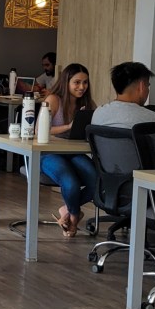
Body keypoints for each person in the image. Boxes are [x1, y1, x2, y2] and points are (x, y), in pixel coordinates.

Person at [41, 63, 97, 237]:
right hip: (49, 153)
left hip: (73, 152)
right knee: (71, 183)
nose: (82, 87)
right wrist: (68, 126)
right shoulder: (53, 99)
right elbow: (39, 130)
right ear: (66, 82)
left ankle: (67, 209)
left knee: (97, 181)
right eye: (77, 82)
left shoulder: (87, 103)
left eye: (85, 82)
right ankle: (74, 217)